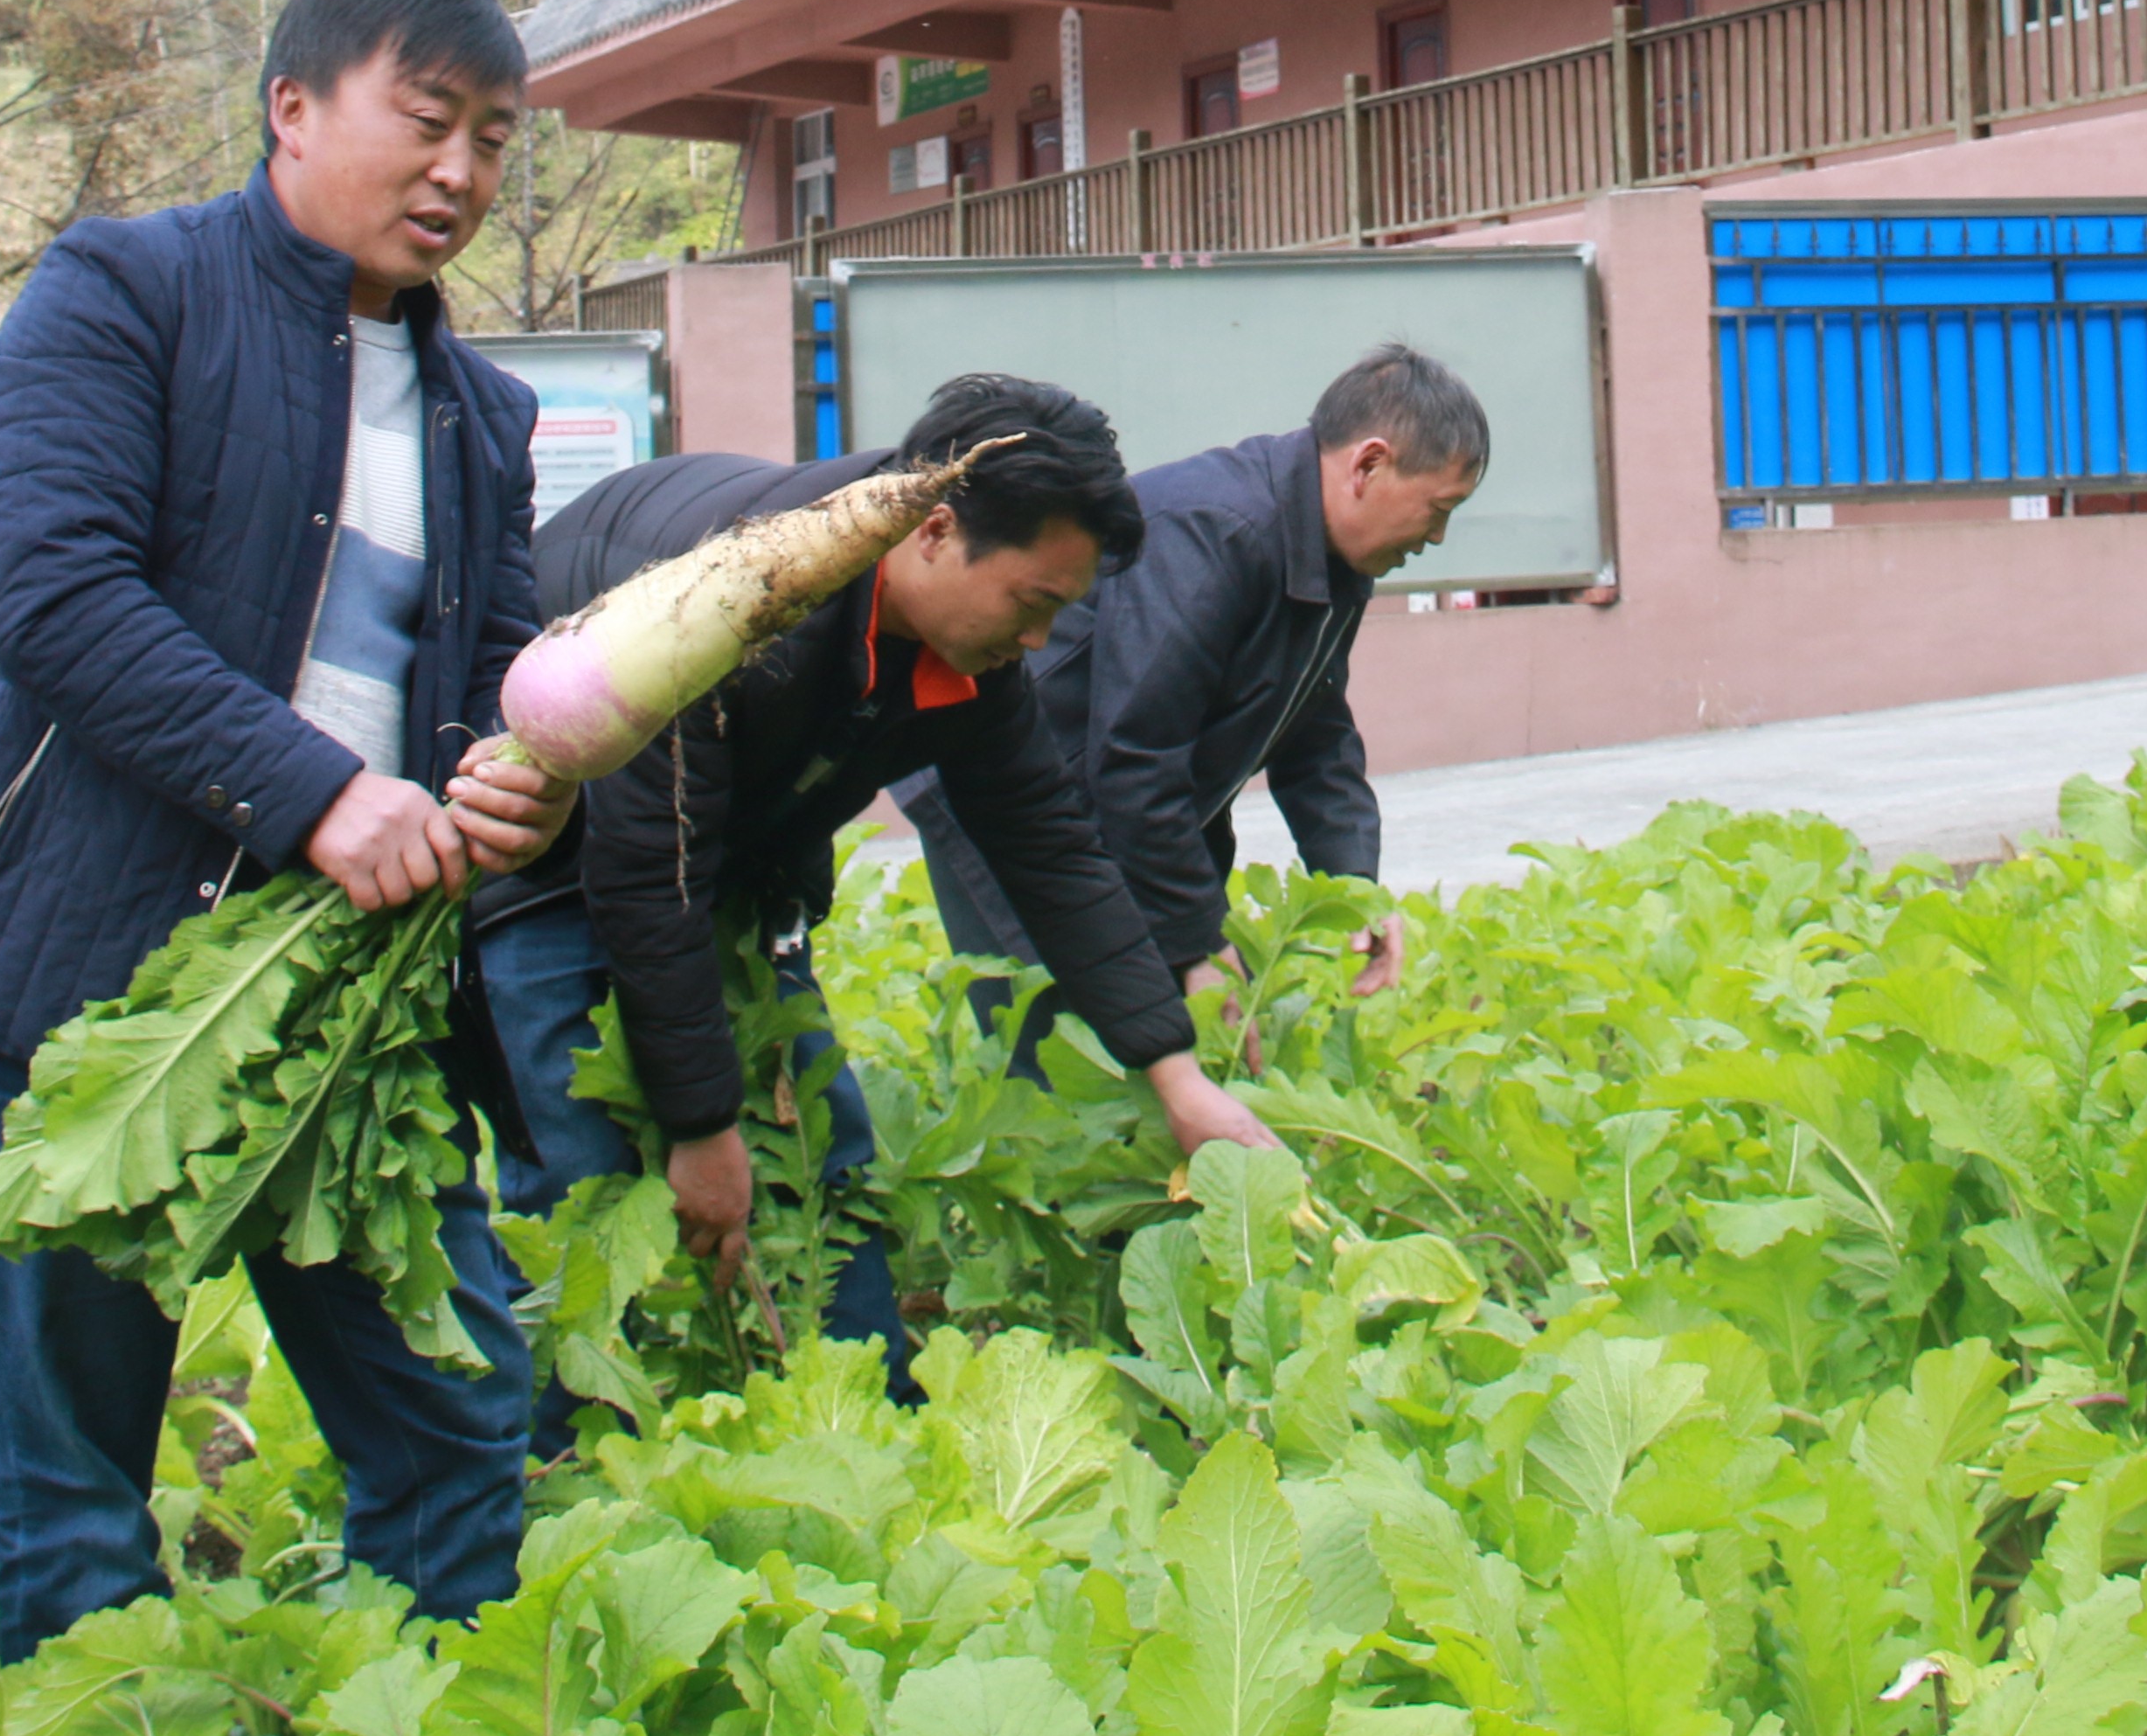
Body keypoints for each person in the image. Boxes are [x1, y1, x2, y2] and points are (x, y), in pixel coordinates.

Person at [0, 0, 580, 1656]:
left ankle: (418, 1713)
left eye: (492, 139)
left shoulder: (483, 413)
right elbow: (57, 597)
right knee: (78, 1497)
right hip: (79, 993)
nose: (461, 172)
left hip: (342, 1007)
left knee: (457, 1430)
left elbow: (489, 670)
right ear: (293, 107)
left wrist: (514, 788)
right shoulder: (124, 293)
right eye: (426, 120)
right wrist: (320, 794)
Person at [470, 375, 1282, 1371]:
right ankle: (561, 1438)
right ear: (934, 530)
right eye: (1032, 604)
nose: (1036, 642)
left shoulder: (967, 654)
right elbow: (649, 874)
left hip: (733, 865)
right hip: (542, 853)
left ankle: (867, 1407)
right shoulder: (722, 601)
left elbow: (1050, 849)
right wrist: (703, 1126)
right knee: (580, 1188)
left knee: (824, 1163)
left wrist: (1176, 1073)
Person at [899, 344, 1488, 1014]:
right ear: (1369, 464)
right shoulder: (1217, 533)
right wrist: (1193, 944)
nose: (1437, 537)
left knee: (1172, 1026)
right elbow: (1136, 755)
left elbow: (1315, 736)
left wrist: (1356, 890)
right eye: (1439, 508)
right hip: (1010, 797)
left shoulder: (1334, 562)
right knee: (1064, 1037)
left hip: (1112, 810)